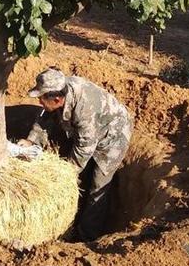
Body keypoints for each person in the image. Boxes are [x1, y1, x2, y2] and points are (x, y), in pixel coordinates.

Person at [19, 67, 133, 241]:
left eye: (41, 99)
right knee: (83, 173)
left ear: (57, 99)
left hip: (113, 136)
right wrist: (31, 140)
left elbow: (84, 148)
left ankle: (86, 236)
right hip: (91, 131)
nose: (40, 103)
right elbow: (45, 115)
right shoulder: (60, 88)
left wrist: (65, 176)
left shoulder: (85, 109)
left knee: (98, 185)